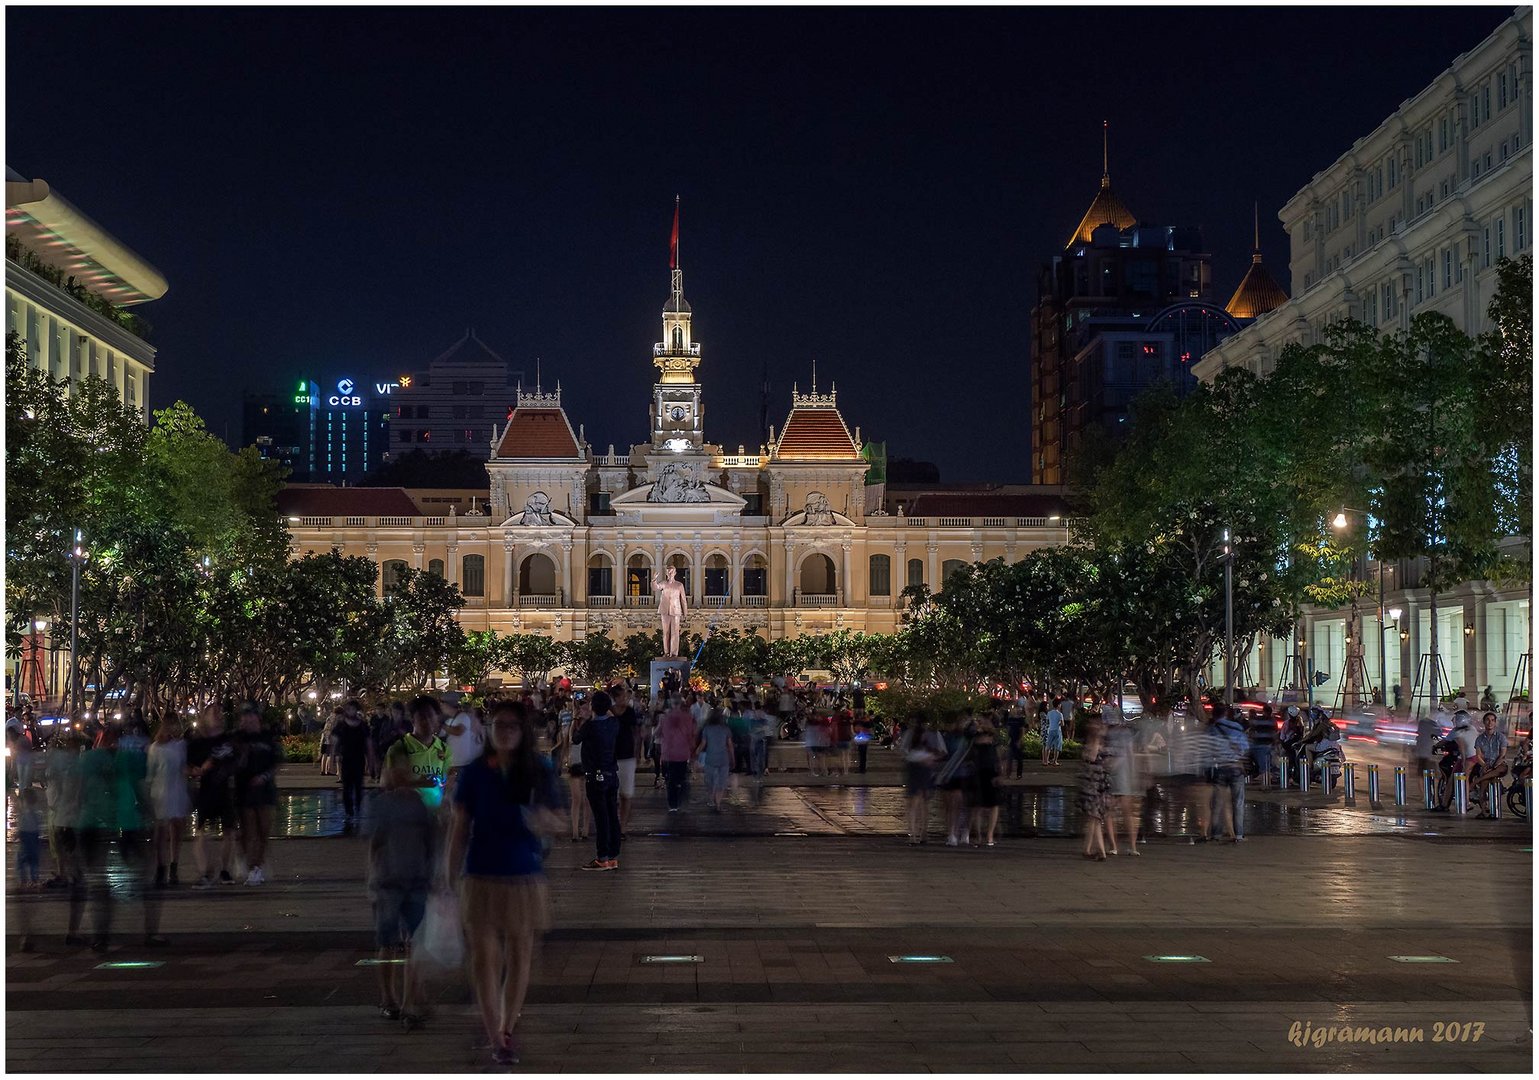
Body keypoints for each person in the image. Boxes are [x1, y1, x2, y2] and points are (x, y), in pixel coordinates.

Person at [446, 700, 563, 1066]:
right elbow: (460, 826)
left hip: (524, 874)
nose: (506, 731)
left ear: (524, 730)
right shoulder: (476, 772)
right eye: (499, 724)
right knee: (484, 958)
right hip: (480, 873)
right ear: (489, 728)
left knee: (519, 953)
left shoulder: (539, 769)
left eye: (513, 725)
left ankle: (507, 1028)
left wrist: (544, 820)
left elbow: (561, 820)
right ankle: (494, 1031)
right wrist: (448, 876)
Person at [368, 756, 437, 1028]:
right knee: (394, 943)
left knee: (409, 943)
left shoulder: (417, 804)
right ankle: (392, 999)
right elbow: (375, 844)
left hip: (409, 880)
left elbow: (431, 842)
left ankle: (405, 1002)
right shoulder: (387, 804)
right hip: (391, 881)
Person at [188, 706, 239, 888]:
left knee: (229, 832)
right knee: (201, 832)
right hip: (207, 790)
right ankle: (205, 872)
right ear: (205, 718)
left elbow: (236, 761)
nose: (218, 715)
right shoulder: (198, 742)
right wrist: (195, 770)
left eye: (219, 713)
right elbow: (187, 765)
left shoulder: (229, 740)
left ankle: (225, 870)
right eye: (213, 713)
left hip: (225, 791)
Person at [232, 703, 280, 886]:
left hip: (265, 790)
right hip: (244, 790)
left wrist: (264, 776)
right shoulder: (237, 738)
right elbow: (232, 762)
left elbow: (275, 762)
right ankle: (248, 862)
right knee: (247, 830)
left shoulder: (268, 737)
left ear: (258, 718)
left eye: (251, 716)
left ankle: (257, 867)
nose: (247, 720)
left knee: (263, 830)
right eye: (244, 717)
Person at [573, 689, 621, 870]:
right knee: (611, 815)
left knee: (601, 818)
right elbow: (610, 715)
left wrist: (581, 718)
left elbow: (575, 739)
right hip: (611, 773)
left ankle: (602, 857)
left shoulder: (590, 726)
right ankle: (613, 855)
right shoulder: (614, 724)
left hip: (595, 775)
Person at [146, 715, 192, 886]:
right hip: (161, 791)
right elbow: (151, 772)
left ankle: (173, 865)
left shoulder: (181, 746)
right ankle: (161, 866)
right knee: (161, 832)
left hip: (177, 790)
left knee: (176, 829)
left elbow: (184, 766)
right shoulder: (155, 748)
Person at [384, 697, 450, 811]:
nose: (427, 721)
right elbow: (393, 784)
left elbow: (448, 783)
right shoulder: (400, 748)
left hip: (437, 817)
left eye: (430, 716)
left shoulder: (444, 749)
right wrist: (422, 783)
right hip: (408, 817)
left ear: (437, 718)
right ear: (413, 719)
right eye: (422, 717)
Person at [900, 715, 944, 845]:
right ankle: (920, 833)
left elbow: (903, 750)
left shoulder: (915, 733)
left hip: (917, 767)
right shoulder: (932, 734)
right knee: (923, 802)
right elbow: (941, 752)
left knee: (916, 802)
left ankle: (916, 833)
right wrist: (930, 758)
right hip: (922, 768)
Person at [1207, 706, 1249, 843]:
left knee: (1218, 802)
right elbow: (1244, 748)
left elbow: (1209, 750)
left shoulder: (1212, 730)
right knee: (1238, 802)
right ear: (1225, 714)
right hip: (1236, 767)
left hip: (1220, 767)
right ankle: (1239, 835)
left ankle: (1216, 834)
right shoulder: (1236, 727)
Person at [1102, 716, 1141, 855]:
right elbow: (1131, 754)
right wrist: (1133, 774)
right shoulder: (1126, 734)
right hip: (1122, 775)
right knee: (1127, 813)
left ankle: (1114, 847)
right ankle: (1132, 846)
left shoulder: (1107, 734)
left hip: (1113, 775)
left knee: (1110, 812)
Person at [332, 701, 376, 821]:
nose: (350, 711)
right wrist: (332, 758)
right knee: (347, 786)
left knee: (358, 786)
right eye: (349, 709)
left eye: (353, 709)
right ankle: (349, 811)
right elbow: (335, 742)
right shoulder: (341, 726)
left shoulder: (362, 726)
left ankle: (357, 809)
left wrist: (371, 763)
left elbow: (369, 745)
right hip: (346, 759)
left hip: (359, 759)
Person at [609, 683, 641, 839]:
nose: (625, 698)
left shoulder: (629, 712)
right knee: (611, 795)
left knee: (626, 794)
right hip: (611, 757)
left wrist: (637, 752)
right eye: (622, 696)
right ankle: (613, 825)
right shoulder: (609, 713)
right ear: (615, 697)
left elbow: (636, 732)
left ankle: (623, 827)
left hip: (627, 756)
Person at [658, 696, 696, 812]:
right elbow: (691, 735)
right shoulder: (688, 717)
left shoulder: (665, 718)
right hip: (683, 752)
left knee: (671, 779)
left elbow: (658, 732)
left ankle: (672, 804)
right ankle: (681, 799)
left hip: (669, 752)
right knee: (681, 777)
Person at [1078, 724, 1110, 860]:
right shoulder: (1097, 744)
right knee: (1094, 819)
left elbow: (1091, 758)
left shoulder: (1096, 744)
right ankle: (1087, 849)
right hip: (1095, 785)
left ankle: (1101, 852)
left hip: (1094, 787)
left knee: (1094, 819)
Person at [967, 721, 1001, 847]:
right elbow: (997, 759)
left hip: (984, 773)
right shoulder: (986, 743)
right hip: (985, 773)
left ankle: (983, 836)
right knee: (986, 806)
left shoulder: (978, 742)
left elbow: (997, 759)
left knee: (983, 806)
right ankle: (986, 836)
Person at [1470, 711, 1509, 817]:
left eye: (1492, 720)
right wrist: (1484, 765)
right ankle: (1484, 811)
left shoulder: (1501, 737)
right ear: (1484, 722)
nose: (1490, 722)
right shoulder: (1479, 739)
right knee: (1483, 786)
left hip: (1498, 765)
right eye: (1487, 720)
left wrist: (1494, 766)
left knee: (1498, 770)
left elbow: (1502, 755)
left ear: (1495, 722)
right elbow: (1478, 756)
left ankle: (1476, 781)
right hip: (1486, 766)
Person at [442, 701, 485, 793]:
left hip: (463, 764)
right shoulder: (450, 721)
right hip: (456, 763)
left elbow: (458, 731)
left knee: (459, 791)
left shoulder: (464, 718)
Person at [696, 708, 733, 811]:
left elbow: (703, 744)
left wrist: (695, 754)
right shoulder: (726, 729)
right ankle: (718, 802)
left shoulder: (707, 729)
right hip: (723, 757)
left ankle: (712, 799)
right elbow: (730, 746)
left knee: (710, 780)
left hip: (711, 757)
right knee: (721, 782)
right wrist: (732, 758)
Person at [15, 785, 43, 889]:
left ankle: (23, 880)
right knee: (34, 861)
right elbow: (38, 827)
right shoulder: (38, 814)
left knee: (21, 861)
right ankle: (34, 879)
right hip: (34, 839)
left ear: (24, 802)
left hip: (25, 840)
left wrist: (17, 835)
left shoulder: (23, 815)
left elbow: (21, 828)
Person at [1043, 699, 1064, 767]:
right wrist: (1058, 724)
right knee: (1057, 747)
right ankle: (1055, 761)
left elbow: (1047, 722)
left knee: (1048, 746)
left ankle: (1046, 761)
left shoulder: (1049, 713)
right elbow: (1062, 724)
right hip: (1057, 730)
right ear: (1058, 705)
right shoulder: (1060, 714)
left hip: (1050, 730)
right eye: (1060, 704)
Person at [319, 708, 339, 777]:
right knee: (330, 754)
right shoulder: (334, 719)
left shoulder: (329, 718)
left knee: (324, 754)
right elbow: (332, 729)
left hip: (324, 738)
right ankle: (329, 770)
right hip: (329, 738)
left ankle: (323, 770)